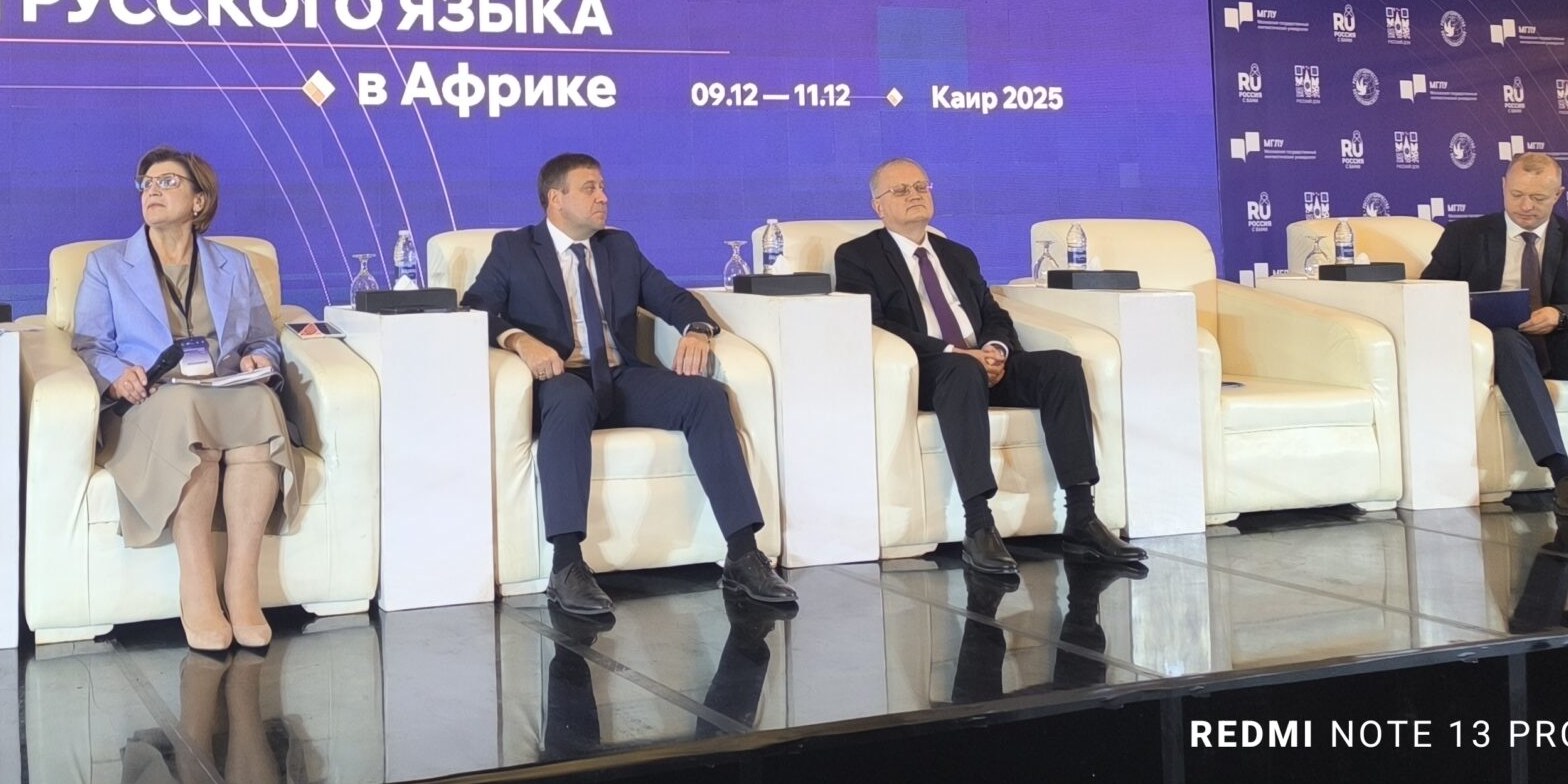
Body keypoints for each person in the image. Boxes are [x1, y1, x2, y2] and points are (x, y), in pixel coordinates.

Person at [461, 152, 795, 616]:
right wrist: (519, 340)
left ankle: (742, 553)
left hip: (621, 376)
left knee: (705, 396)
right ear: (556, 199)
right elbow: (475, 309)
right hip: (561, 378)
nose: (603, 197)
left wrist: (697, 329)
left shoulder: (619, 246)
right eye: (590, 188)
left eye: (603, 187)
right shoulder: (514, 248)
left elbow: (671, 297)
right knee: (570, 401)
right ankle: (567, 565)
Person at [831, 158, 1147, 576]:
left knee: (1062, 367)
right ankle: (979, 525)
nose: (915, 195)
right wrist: (954, 353)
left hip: (984, 363)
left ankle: (1082, 517)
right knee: (962, 372)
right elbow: (875, 324)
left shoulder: (957, 255)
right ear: (878, 206)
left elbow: (993, 313)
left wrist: (995, 350)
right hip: (929, 370)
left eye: (921, 186)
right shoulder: (858, 256)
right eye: (901, 190)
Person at [72, 147, 302, 651]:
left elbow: (263, 338)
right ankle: (196, 587)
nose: (152, 190)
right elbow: (88, 345)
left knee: (262, 403)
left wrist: (256, 360)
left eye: (167, 182)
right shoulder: (106, 265)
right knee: (183, 408)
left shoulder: (234, 265)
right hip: (152, 399)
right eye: (146, 184)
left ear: (199, 201)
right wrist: (116, 376)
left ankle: (241, 586)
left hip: (222, 390)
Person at [1423, 153, 1568, 518]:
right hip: (1501, 345)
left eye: (1538, 198)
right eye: (1517, 194)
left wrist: (1560, 314)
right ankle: (1562, 473)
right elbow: (1428, 297)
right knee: (1506, 340)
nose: (1525, 206)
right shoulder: (1465, 236)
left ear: (1558, 195)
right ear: (1503, 186)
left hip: (1560, 343)